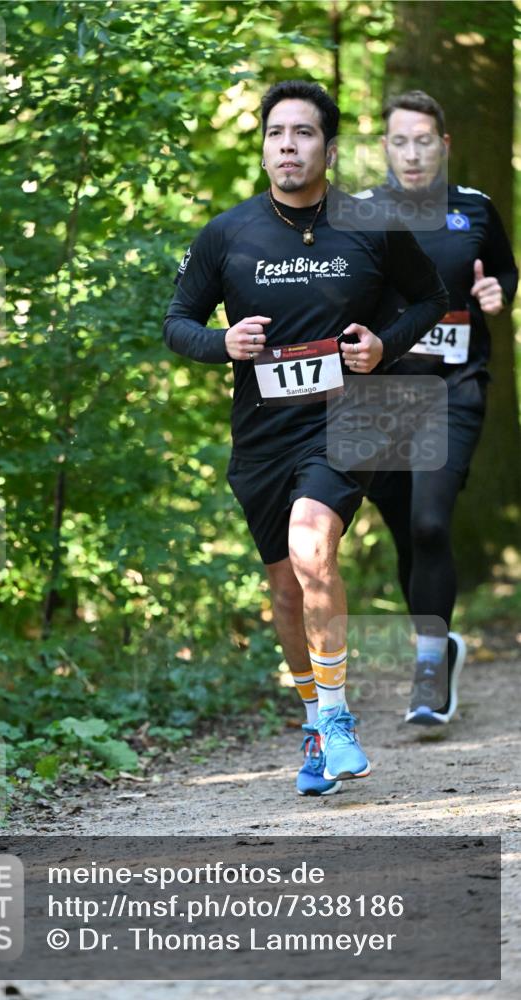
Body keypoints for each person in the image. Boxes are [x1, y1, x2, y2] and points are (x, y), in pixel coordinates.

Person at [163, 80, 448, 796]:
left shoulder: (370, 224)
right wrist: (222, 342)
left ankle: (339, 716)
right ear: (262, 146)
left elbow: (429, 299)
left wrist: (381, 347)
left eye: (302, 133)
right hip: (261, 436)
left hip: (347, 420)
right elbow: (177, 324)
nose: (286, 146)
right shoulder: (227, 234)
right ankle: (315, 724)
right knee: (288, 592)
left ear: (328, 146)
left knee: (312, 544)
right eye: (274, 134)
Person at [360, 90, 518, 726]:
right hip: (382, 394)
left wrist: (494, 291)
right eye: (400, 141)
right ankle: (439, 643)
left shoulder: (474, 208)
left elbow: (506, 272)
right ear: (386, 147)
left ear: (444, 145)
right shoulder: (362, 212)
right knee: (404, 527)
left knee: (430, 523)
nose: (413, 153)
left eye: (424, 140)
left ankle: (428, 670)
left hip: (454, 388)